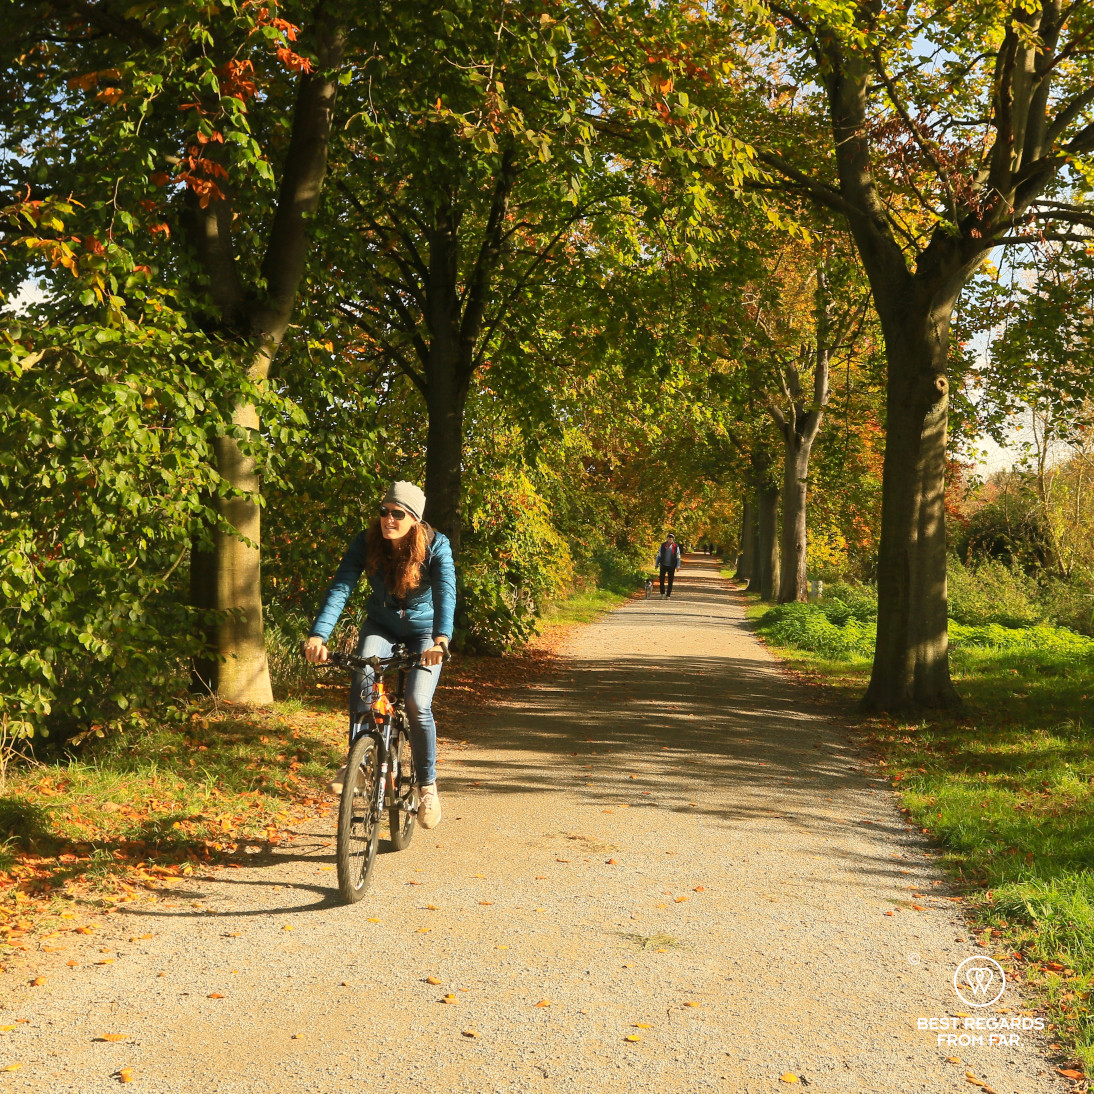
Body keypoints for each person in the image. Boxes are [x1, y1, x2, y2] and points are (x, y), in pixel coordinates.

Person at [303, 481, 455, 830]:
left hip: (425, 636)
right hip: (381, 627)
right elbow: (341, 586)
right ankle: (356, 763)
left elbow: (446, 594)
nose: (388, 518)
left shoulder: (436, 547)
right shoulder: (366, 542)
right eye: (384, 511)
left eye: (397, 514)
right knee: (364, 685)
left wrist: (441, 640)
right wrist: (319, 634)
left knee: (418, 702)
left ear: (414, 519)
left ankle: (427, 786)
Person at [655, 532, 683, 597]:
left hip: (671, 565)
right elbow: (659, 555)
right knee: (661, 580)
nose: (670, 539)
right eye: (669, 538)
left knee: (670, 581)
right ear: (667, 539)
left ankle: (668, 594)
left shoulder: (676, 546)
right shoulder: (663, 545)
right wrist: (656, 563)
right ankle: (662, 593)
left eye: (671, 538)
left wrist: (678, 565)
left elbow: (678, 556)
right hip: (663, 565)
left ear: (673, 539)